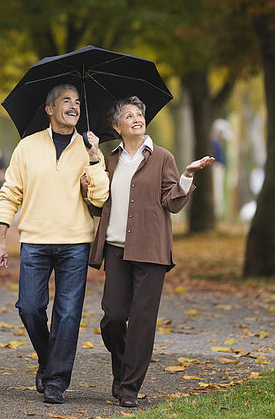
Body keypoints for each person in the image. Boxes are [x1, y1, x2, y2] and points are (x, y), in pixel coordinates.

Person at [87, 96, 215, 408]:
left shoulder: (162, 157)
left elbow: (173, 203)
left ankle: (129, 387)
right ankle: (123, 368)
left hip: (151, 252)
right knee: (112, 318)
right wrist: (92, 161)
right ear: (117, 127)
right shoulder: (109, 160)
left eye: (139, 114)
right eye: (128, 116)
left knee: (143, 321)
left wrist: (187, 174)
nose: (136, 119)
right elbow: (95, 202)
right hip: (116, 250)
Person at [0, 84, 109, 405]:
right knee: (29, 307)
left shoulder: (88, 149)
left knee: (68, 314)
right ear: (49, 108)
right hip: (35, 240)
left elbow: (100, 197)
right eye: (66, 101)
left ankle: (56, 380)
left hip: (75, 241)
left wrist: (96, 160)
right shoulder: (27, 147)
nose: (74, 106)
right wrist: (1, 240)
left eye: (77, 102)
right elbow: (10, 193)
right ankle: (48, 360)